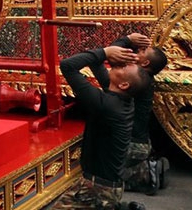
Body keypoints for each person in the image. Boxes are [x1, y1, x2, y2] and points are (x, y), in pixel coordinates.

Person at [57, 43, 150, 210]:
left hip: (97, 189)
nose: (118, 66)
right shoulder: (121, 97)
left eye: (122, 68)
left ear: (124, 85)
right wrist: (125, 42)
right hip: (109, 186)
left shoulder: (108, 105)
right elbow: (95, 62)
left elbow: (68, 66)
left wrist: (105, 52)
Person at [114, 33, 170, 196]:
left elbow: (113, 54)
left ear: (144, 63)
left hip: (131, 145)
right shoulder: (144, 77)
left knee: (103, 176)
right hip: (140, 142)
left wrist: (127, 39)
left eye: (142, 51)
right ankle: (149, 166)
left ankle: (145, 176)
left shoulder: (137, 78)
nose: (136, 51)